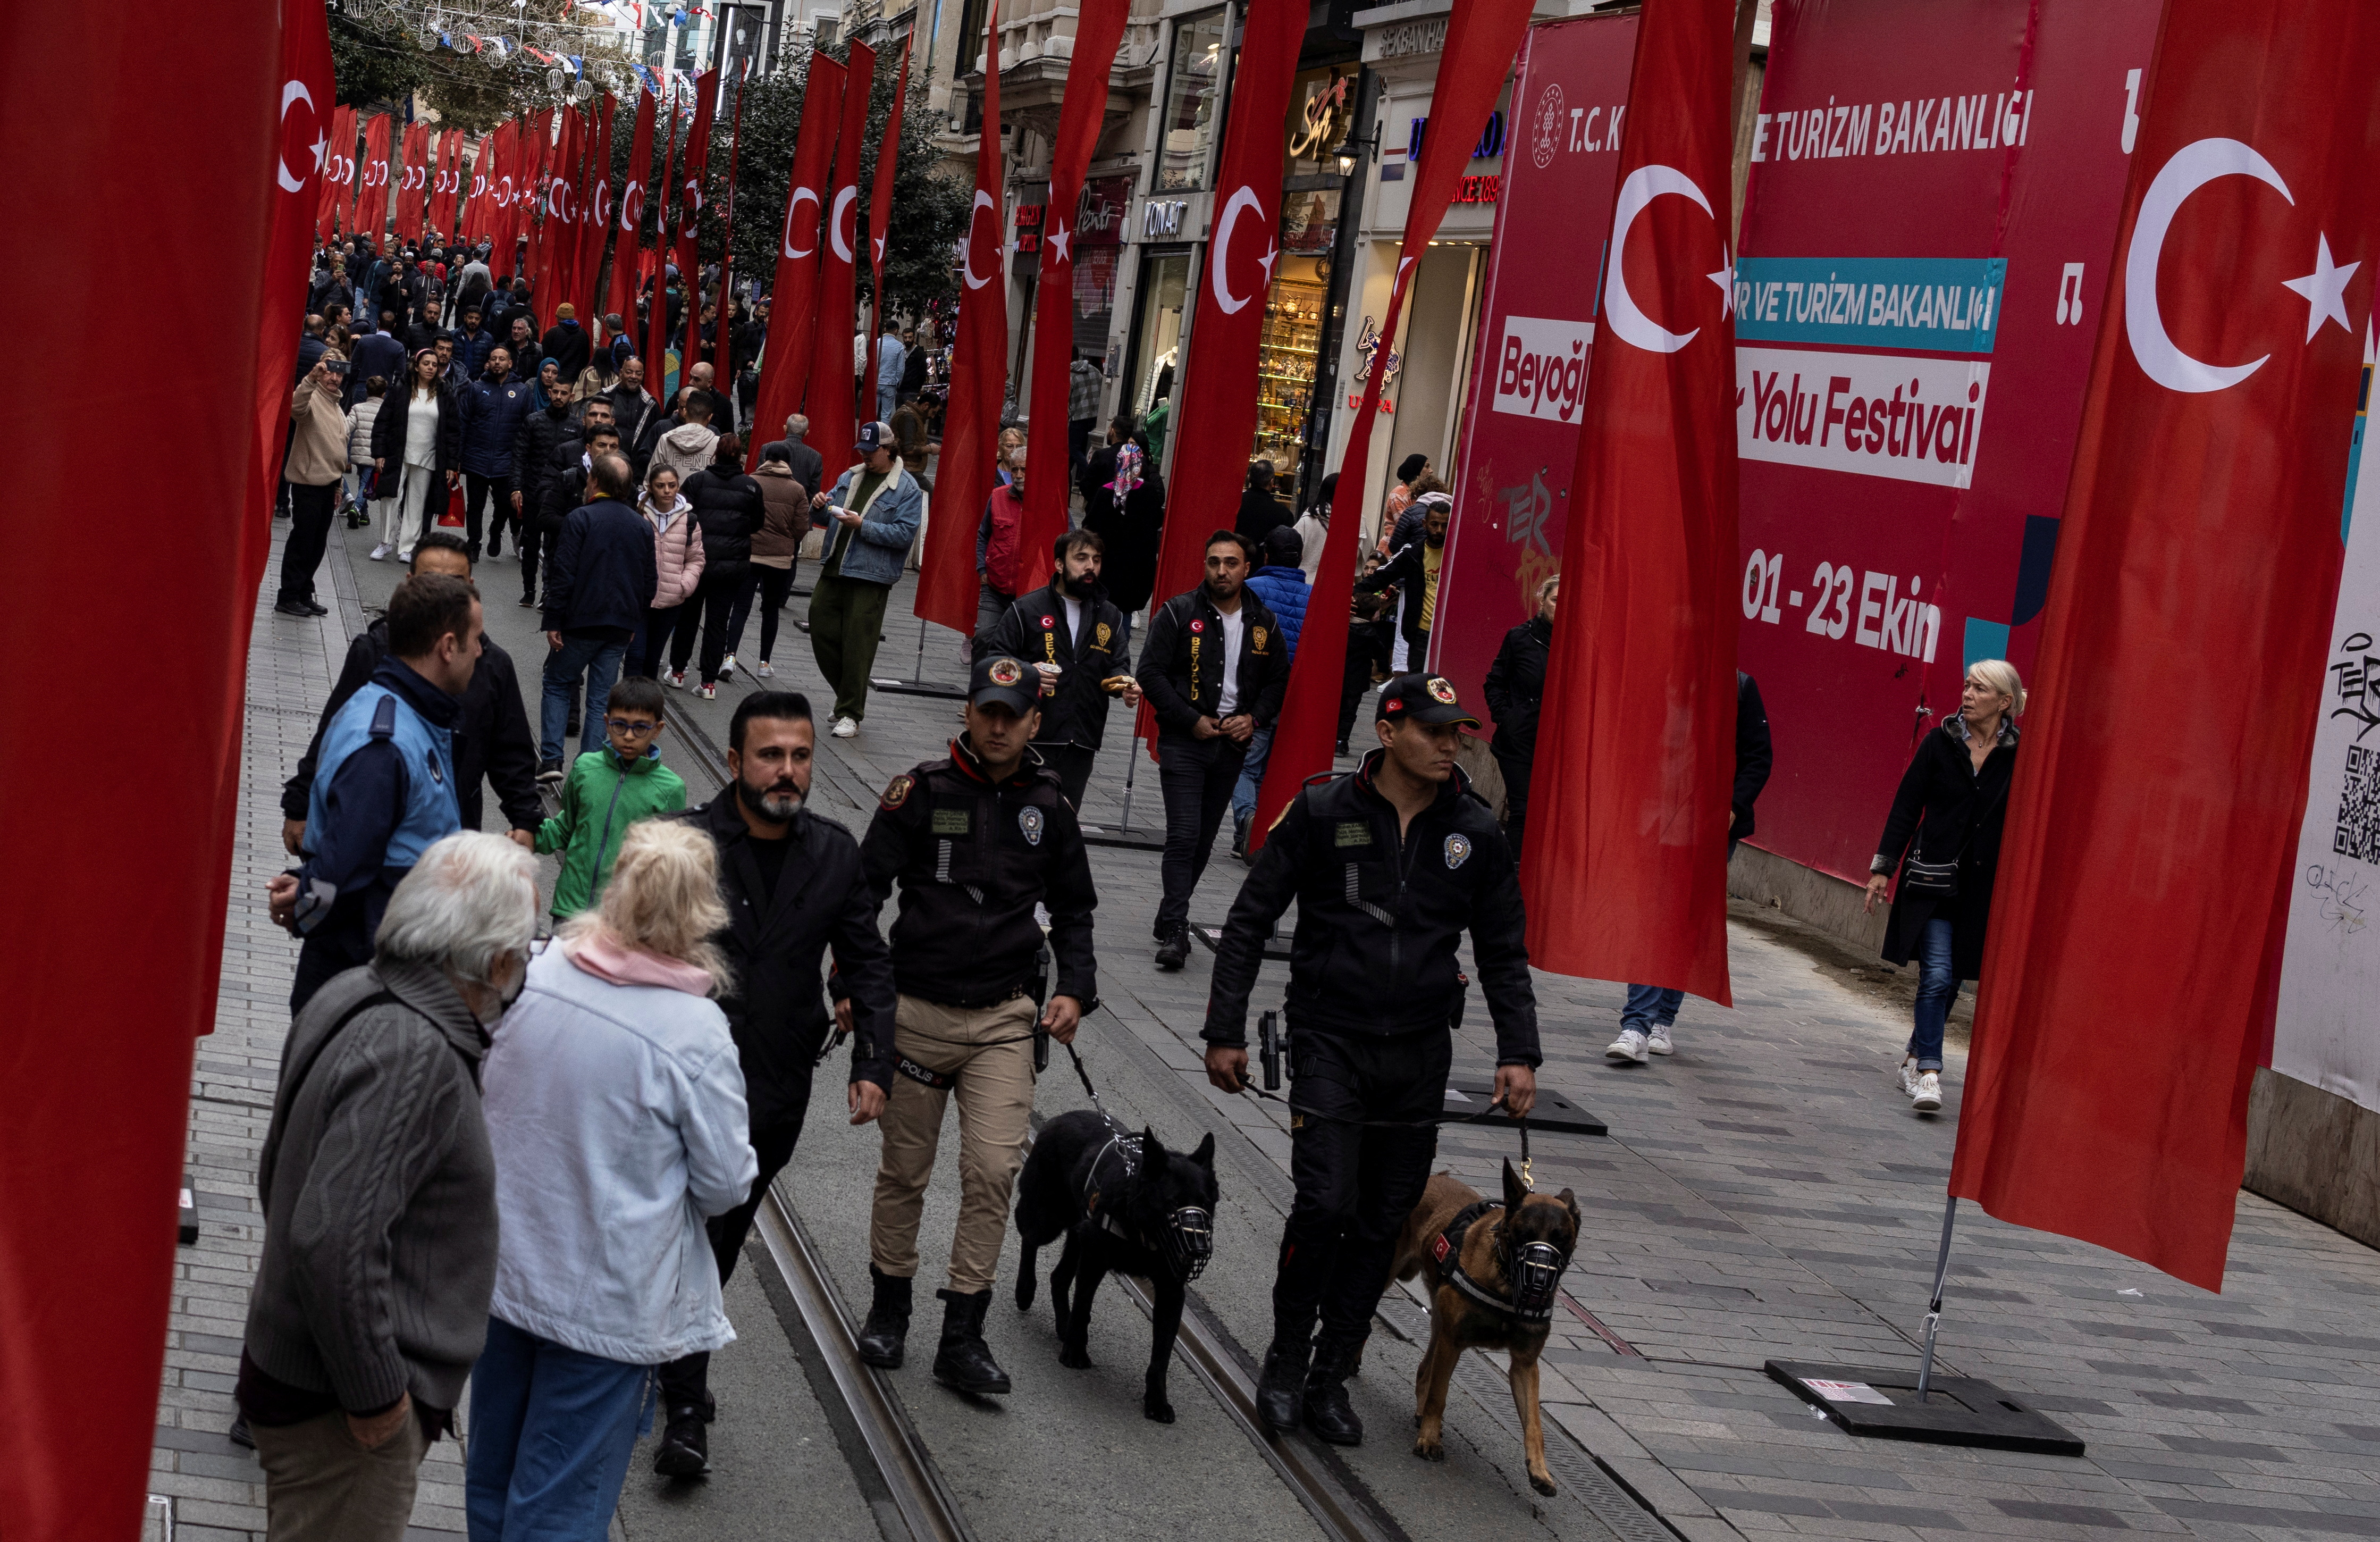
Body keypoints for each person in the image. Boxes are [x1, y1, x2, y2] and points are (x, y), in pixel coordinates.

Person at [1202, 673, 1540, 1446]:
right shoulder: (1323, 811)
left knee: (1383, 1220)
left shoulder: (1475, 832)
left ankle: (1330, 1373)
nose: (1451, 744)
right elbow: (1250, 919)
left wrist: (1519, 1052)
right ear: (1388, 733)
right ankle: (1285, 1363)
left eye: (1458, 731)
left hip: (1418, 1053)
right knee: (1325, 1204)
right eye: (1434, 730)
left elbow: (1502, 950)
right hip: (1328, 1038)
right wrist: (1224, 1031)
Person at [239, 833, 537, 1542]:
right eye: (526, 949)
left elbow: (281, 1175)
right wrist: (377, 1397)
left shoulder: (355, 989)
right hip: (339, 1414)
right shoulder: (415, 1051)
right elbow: (329, 1234)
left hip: (308, 1382)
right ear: (494, 962)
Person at [466, 822, 758, 1537]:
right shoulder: (695, 1032)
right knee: (561, 1504)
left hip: (501, 1275)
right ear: (703, 910)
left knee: (493, 1478)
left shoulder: (534, 973)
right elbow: (726, 1183)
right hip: (603, 1305)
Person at [654, 692, 897, 1476]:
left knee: (722, 1237)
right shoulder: (685, 844)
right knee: (687, 1230)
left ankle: (676, 1353)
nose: (787, 771)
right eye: (770, 755)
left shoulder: (833, 854)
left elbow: (867, 964)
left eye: (799, 756)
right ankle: (686, 1403)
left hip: (774, 1086)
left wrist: (872, 1066)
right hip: (679, 1082)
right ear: (733, 762)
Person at [852, 653, 1099, 1395]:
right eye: (985, 711)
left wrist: (1076, 990)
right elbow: (862, 894)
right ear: (968, 713)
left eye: (1012, 715)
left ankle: (963, 1331)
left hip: (1002, 1019)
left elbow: (1077, 909)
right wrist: (854, 988)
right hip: (918, 1011)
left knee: (993, 1173)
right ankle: (889, 1307)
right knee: (905, 1171)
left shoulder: (1049, 807)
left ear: (1034, 722)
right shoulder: (919, 792)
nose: (997, 725)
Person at [268, 575, 483, 1011]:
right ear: (447, 646)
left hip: (381, 971)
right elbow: (343, 866)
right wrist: (306, 898)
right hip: (370, 983)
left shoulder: (407, 713)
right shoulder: (385, 744)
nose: (481, 651)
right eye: (476, 639)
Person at [281, 534, 540, 860]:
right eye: (431, 581)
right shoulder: (374, 651)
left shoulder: (490, 663)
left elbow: (512, 756)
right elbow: (330, 735)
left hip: (451, 849)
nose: (444, 595)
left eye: (456, 584)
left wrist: (525, 821)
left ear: (472, 587)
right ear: (410, 583)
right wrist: (299, 805)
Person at [1862, 661, 2022, 1113]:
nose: (1967, 694)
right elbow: (1905, 806)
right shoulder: (1939, 742)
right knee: (1934, 976)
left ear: (2004, 702)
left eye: (1980, 689)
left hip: (1981, 890)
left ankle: (1913, 1054)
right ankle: (1930, 1071)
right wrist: (1882, 869)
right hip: (1931, 880)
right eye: (1966, 685)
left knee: (1950, 980)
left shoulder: (2020, 755)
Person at [1136, 530, 1292, 970]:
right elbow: (1149, 672)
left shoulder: (1264, 622)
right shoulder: (1179, 612)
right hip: (1185, 741)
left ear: (1247, 568)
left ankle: (1170, 913)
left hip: (1231, 746)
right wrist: (1189, 718)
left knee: (1204, 840)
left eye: (1230, 563)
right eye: (1213, 562)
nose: (1221, 571)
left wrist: (1254, 718)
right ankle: (1175, 930)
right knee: (1184, 835)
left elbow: (1280, 680)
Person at [1607, 669, 1774, 1063]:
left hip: (1709, 824)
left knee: (1685, 920)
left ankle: (1662, 1018)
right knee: (1654, 917)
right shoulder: (1658, 674)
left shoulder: (1738, 686)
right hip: (1656, 815)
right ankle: (1636, 1026)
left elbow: (1758, 756)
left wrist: (1734, 807)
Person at [982, 529, 1141, 807]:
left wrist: (1125, 685)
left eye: (1096, 559)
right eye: (1081, 558)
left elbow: (1117, 665)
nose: (1090, 566)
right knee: (1021, 818)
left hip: (1081, 740)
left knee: (1062, 825)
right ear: (1059, 564)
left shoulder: (1110, 615)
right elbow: (994, 663)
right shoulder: (1027, 609)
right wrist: (1027, 673)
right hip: (1032, 738)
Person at [537, 454, 657, 776]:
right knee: (601, 698)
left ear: (595, 483)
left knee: (558, 682)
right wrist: (634, 621)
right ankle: (588, 768)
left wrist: (553, 621)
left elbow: (563, 575)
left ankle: (551, 758)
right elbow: (650, 584)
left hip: (580, 621)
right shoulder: (641, 526)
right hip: (619, 626)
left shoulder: (580, 518)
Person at [534, 674, 687, 922]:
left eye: (640, 727)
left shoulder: (670, 789)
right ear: (607, 723)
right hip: (570, 910)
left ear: (657, 729)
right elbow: (567, 827)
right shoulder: (585, 768)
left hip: (623, 919)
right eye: (620, 725)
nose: (628, 736)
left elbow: (668, 863)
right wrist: (530, 834)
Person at [808, 420, 924, 738]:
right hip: (835, 566)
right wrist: (818, 506)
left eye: (873, 451)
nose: (867, 456)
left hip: (871, 576)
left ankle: (851, 713)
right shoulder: (851, 476)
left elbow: (903, 535)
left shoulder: (907, 488)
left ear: (889, 450)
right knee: (820, 626)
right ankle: (848, 697)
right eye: (863, 450)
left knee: (859, 645)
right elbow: (824, 513)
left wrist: (863, 526)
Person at [1230, 524, 1311, 858]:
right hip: (1296, 698)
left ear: (1266, 555)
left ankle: (1248, 818)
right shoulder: (1314, 597)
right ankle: (1254, 835)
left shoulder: (1250, 589)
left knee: (1245, 765)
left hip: (1258, 695)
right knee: (1267, 768)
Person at [676, 433, 765, 698]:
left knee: (688, 618)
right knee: (718, 623)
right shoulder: (751, 487)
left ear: (715, 454)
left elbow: (683, 516)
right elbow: (757, 523)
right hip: (731, 567)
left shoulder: (697, 481)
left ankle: (678, 671)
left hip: (697, 561)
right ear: (740, 457)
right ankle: (708, 683)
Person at [1482, 575, 1556, 857]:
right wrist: (1507, 718)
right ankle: (1510, 877)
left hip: (1559, 743)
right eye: (1555, 600)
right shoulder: (1520, 637)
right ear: (1542, 601)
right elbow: (1495, 682)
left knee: (1548, 813)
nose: (1561, 607)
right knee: (1523, 811)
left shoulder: (1582, 640)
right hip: (1519, 740)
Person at [368, 350, 461, 563]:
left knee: (417, 502)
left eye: (434, 364)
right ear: (416, 365)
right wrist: (379, 453)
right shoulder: (401, 389)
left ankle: (408, 547)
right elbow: (383, 421)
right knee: (391, 497)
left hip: (428, 456)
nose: (430, 367)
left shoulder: (445, 393)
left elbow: (453, 431)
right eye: (426, 363)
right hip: (398, 453)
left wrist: (451, 463)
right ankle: (385, 542)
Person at [1080, 422, 1163, 652]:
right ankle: (1119, 654)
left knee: (1099, 609)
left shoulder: (1106, 492)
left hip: (1106, 565)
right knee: (1124, 613)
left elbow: (1089, 527)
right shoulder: (1147, 494)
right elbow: (1156, 523)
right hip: (1134, 567)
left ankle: (1095, 650)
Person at [736, 443, 808, 678]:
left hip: (749, 553)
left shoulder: (750, 482)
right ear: (788, 462)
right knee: (770, 609)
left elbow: (739, 516)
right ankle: (764, 663)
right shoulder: (797, 490)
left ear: (765, 458)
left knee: (741, 606)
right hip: (779, 559)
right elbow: (800, 530)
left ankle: (729, 657)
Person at [457, 347, 533, 563]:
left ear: (510, 363)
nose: (497, 362)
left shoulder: (521, 392)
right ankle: (473, 544)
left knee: (503, 504)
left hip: (507, 460)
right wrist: (458, 458)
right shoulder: (476, 389)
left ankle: (496, 530)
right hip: (476, 458)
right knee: (475, 506)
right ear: (488, 363)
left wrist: (524, 460)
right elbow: (463, 423)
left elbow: (528, 428)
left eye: (502, 359)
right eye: (493, 359)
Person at [1362, 490, 1450, 672]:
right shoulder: (1413, 553)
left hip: (1449, 635)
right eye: (1434, 524)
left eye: (1444, 525)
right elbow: (1381, 577)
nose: (1439, 531)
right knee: (1415, 684)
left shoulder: (1458, 555)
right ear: (1425, 524)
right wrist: (1352, 594)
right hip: (1421, 632)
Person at [635, 463, 703, 680]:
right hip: (639, 599)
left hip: (670, 601)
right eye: (661, 486)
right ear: (651, 488)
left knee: (653, 659)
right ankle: (627, 706)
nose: (667, 491)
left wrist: (684, 585)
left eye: (672, 485)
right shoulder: (638, 514)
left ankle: (646, 709)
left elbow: (696, 559)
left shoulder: (689, 520)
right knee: (636, 656)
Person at [502, 375, 575, 562]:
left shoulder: (576, 427)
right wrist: (516, 489)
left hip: (561, 494)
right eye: (556, 392)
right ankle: (528, 591)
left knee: (555, 546)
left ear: (571, 397)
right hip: (532, 489)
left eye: (564, 393)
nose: (559, 397)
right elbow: (519, 456)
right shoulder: (533, 421)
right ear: (550, 393)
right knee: (530, 544)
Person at [1338, 552, 1396, 753]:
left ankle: (1331, 736)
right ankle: (1342, 741)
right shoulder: (1371, 634)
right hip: (1358, 680)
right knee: (1349, 712)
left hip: (1339, 677)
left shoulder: (1342, 630)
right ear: (1373, 616)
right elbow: (1380, 653)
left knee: (1335, 709)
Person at [975, 443, 1030, 647]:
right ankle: (981, 679)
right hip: (995, 588)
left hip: (1030, 592)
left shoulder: (1048, 500)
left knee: (1020, 644)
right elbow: (983, 535)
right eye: (1014, 469)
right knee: (982, 637)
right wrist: (982, 568)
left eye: (1024, 469)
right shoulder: (998, 496)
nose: (1018, 474)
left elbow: (1067, 541)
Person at [650, 390, 720, 487]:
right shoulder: (718, 443)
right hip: (704, 500)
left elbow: (652, 477)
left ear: (685, 412)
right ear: (710, 417)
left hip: (670, 499)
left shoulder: (666, 439)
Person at [759, 411, 825, 498]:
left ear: (785, 428)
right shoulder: (815, 457)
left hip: (768, 504)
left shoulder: (767, 448)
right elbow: (814, 493)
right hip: (798, 506)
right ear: (806, 433)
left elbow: (759, 480)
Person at [603, 356, 659, 454]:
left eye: (638, 373)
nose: (634, 376)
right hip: (606, 458)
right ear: (621, 373)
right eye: (629, 372)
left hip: (637, 463)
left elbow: (656, 437)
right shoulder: (604, 397)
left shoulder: (651, 405)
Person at [1067, 348, 1103, 493]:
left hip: (1078, 418)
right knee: (1081, 451)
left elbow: (1066, 400)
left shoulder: (1070, 375)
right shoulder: (1095, 370)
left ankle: (1090, 474)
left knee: (1073, 449)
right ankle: (1066, 486)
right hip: (1095, 417)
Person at [1377, 452, 1428, 552]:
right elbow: (1406, 525)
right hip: (1391, 551)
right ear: (1417, 471)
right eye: (1427, 467)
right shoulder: (1399, 493)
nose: (1431, 471)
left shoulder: (1416, 494)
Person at [1292, 471, 1335, 587]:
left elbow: (1292, 550)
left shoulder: (1307, 521)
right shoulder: (1354, 524)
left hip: (1305, 583)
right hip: (1335, 587)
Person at [1236, 460, 1290, 545]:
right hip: (1264, 557)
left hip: (1235, 556)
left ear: (1249, 478)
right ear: (1272, 482)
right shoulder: (1284, 514)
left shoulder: (1235, 504)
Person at [539, 300, 591, 383]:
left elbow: (544, 356)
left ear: (559, 318)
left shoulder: (553, 333)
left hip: (554, 379)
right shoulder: (583, 334)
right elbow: (586, 359)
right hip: (574, 380)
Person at [686, 359, 737, 438]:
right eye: (690, 377)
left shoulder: (724, 404)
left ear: (709, 383)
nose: (691, 383)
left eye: (697, 379)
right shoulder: (680, 395)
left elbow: (728, 437)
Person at [875, 318, 905, 424]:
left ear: (885, 329)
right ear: (896, 331)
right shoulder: (899, 346)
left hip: (877, 381)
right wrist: (897, 381)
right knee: (886, 415)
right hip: (890, 383)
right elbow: (900, 369)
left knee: (873, 413)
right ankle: (884, 438)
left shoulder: (877, 343)